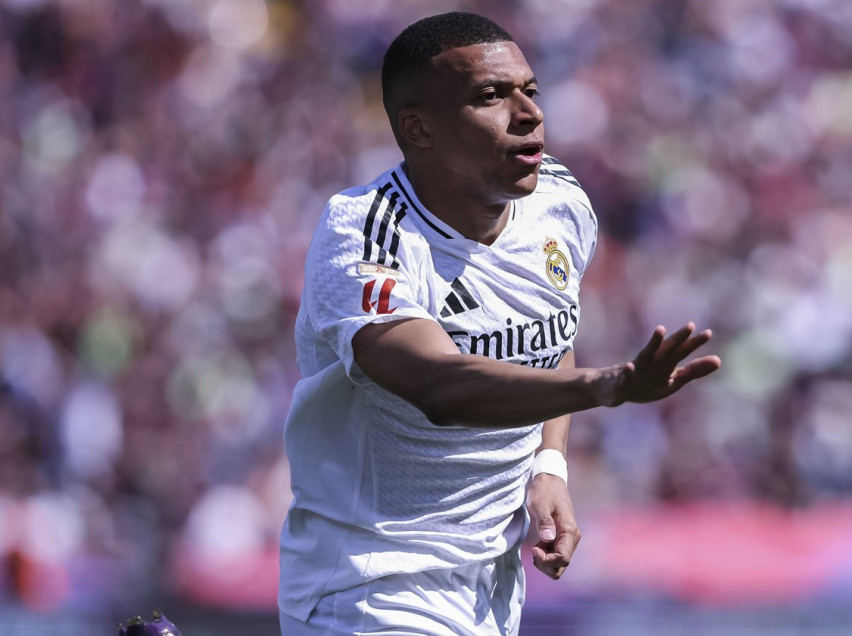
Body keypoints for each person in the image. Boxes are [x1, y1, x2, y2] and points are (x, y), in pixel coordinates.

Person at [278, 11, 721, 635]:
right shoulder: (366, 233)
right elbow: (440, 385)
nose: (529, 113)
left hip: (492, 587)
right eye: (491, 95)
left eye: (530, 90)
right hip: (371, 584)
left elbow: (551, 333)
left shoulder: (560, 202)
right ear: (419, 128)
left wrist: (549, 463)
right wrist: (604, 387)